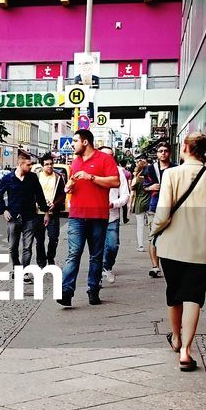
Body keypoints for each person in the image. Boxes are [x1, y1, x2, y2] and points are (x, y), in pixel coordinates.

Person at [152, 130, 206, 371]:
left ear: (184, 147)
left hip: (171, 246)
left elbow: (162, 214)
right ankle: (186, 351)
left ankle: (175, 337)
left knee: (174, 293)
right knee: (194, 297)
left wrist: (155, 230)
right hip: (201, 247)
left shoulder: (170, 174)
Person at [58, 130, 120, 307]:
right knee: (73, 254)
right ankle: (66, 292)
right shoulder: (75, 161)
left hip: (98, 216)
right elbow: (74, 183)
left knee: (96, 256)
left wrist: (91, 177)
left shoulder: (104, 159)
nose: (73, 144)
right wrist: (69, 186)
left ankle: (93, 290)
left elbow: (115, 182)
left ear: (85, 142)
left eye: (75, 141)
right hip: (77, 215)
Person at [0, 150, 49, 281]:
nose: (30, 167)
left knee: (27, 247)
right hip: (13, 217)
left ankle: (24, 272)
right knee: (12, 247)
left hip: (30, 217)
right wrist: (4, 210)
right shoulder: (8, 178)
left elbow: (40, 195)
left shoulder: (32, 178)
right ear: (20, 164)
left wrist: (46, 212)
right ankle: (16, 267)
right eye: (28, 164)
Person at [143, 142, 172, 278]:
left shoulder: (176, 168)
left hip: (172, 207)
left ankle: (170, 264)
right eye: (160, 151)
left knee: (170, 237)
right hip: (155, 207)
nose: (163, 153)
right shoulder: (150, 169)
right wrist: (151, 187)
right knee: (153, 237)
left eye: (166, 151)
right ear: (157, 153)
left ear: (170, 153)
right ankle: (155, 266)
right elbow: (144, 187)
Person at [102, 156, 131, 284]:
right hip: (95, 215)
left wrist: (113, 204)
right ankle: (96, 277)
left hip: (112, 216)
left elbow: (125, 195)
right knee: (97, 247)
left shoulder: (119, 171)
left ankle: (107, 266)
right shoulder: (92, 170)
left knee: (113, 245)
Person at [34, 153, 66, 267]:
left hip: (53, 213)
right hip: (38, 213)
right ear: (42, 166)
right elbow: (31, 193)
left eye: (51, 164)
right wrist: (35, 203)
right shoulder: (36, 177)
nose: (49, 166)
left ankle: (50, 257)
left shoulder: (58, 177)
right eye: (46, 164)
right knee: (39, 240)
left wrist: (55, 204)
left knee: (53, 238)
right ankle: (41, 263)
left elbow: (63, 194)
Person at [129, 157, 150, 252]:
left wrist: (130, 206)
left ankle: (141, 246)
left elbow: (132, 194)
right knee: (151, 225)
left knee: (140, 226)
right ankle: (152, 244)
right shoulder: (150, 179)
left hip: (139, 203)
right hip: (150, 202)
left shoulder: (136, 180)